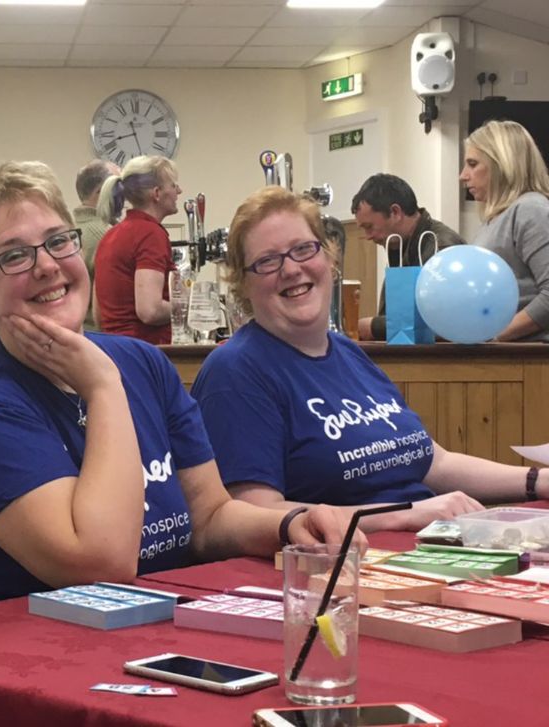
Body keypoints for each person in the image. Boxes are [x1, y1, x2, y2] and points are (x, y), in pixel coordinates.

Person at [0, 162, 363, 618]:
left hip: (132, 642)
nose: (47, 266)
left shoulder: (142, 363)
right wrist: (102, 387)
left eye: (58, 241)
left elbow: (210, 516)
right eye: (14, 255)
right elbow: (102, 565)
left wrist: (289, 523)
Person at [191, 186, 549, 533]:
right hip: (344, 562)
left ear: (328, 258)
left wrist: (537, 481)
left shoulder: (347, 352)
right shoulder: (236, 371)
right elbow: (257, 513)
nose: (291, 269)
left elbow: (434, 462)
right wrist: (401, 514)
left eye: (303, 249)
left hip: (426, 543)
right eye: (267, 261)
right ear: (242, 283)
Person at [461, 119, 549, 342]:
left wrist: (496, 336)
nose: (463, 175)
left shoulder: (531, 210)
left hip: (530, 362)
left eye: (472, 164)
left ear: (502, 163)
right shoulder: (495, 218)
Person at [351, 174, 465, 341]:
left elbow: (444, 321)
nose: (367, 236)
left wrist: (375, 327)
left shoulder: (442, 249)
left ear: (395, 212)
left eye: (369, 227)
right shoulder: (399, 246)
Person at [93, 155, 179, 344]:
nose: (179, 191)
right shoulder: (150, 234)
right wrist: (187, 308)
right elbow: (150, 310)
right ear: (156, 193)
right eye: (173, 186)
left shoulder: (109, 236)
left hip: (114, 349)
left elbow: (98, 315)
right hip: (145, 351)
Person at [72, 159, 120, 330]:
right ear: (101, 192)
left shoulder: (69, 229)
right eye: (118, 186)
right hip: (99, 337)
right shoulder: (107, 236)